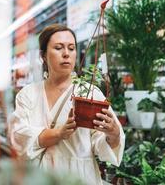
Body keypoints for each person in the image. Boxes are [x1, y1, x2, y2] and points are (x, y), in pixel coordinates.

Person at [9, 24, 125, 185]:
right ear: (43, 55)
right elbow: (19, 137)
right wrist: (58, 133)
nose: (66, 54)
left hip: (81, 178)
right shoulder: (28, 95)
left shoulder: (89, 93)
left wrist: (114, 134)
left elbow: (101, 145)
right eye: (58, 48)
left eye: (71, 48)